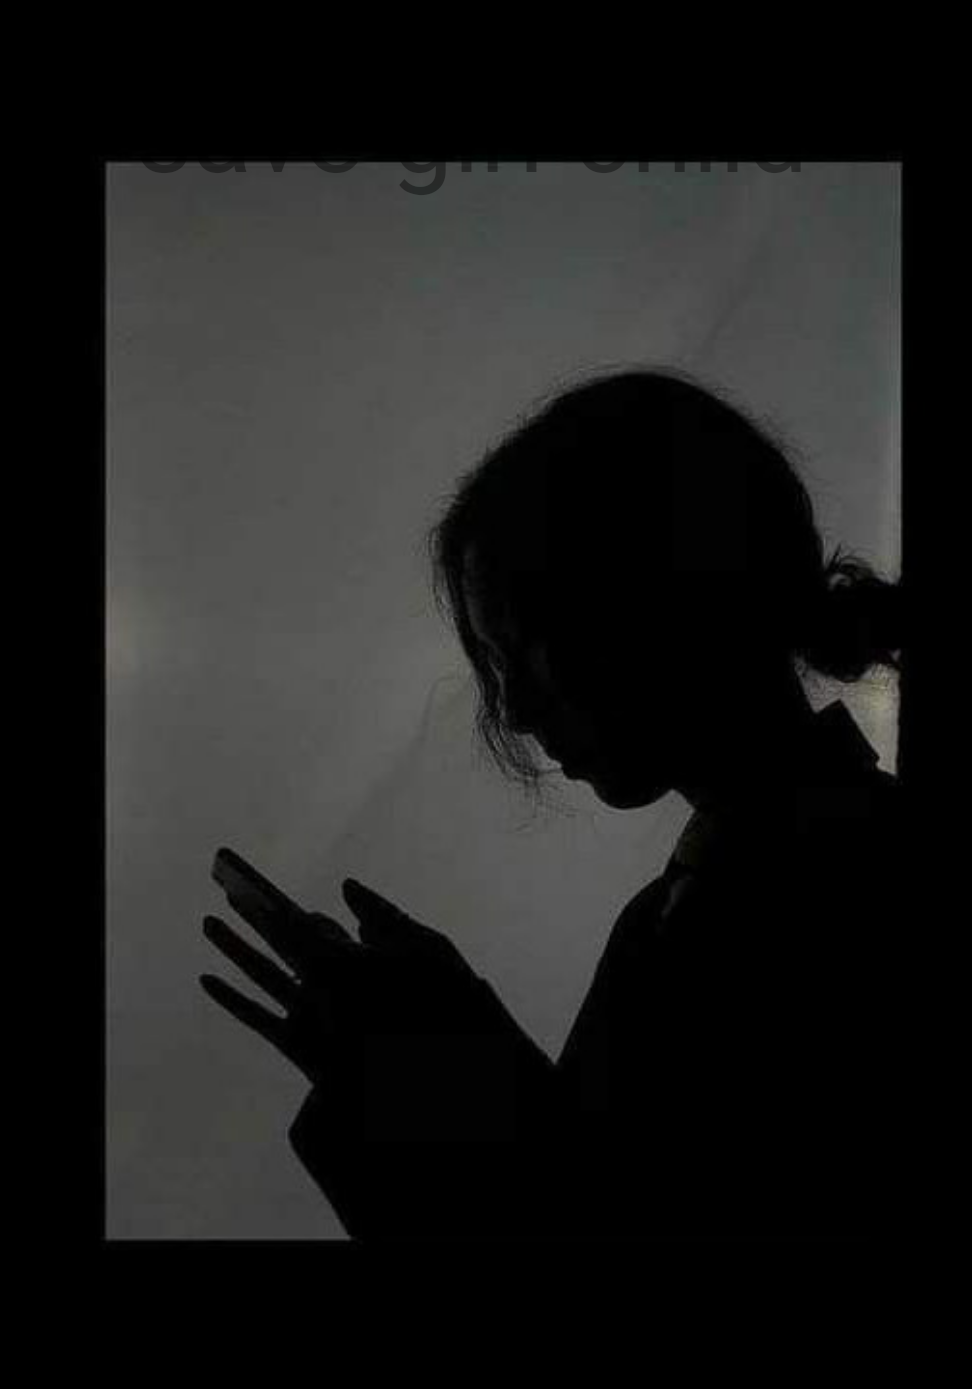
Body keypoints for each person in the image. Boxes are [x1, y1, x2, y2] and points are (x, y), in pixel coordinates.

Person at [201, 367, 905, 1239]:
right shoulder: (718, 899)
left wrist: (441, 1077)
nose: (519, 714)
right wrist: (439, 1064)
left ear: (647, 606)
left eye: (524, 651)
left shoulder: (843, 896)